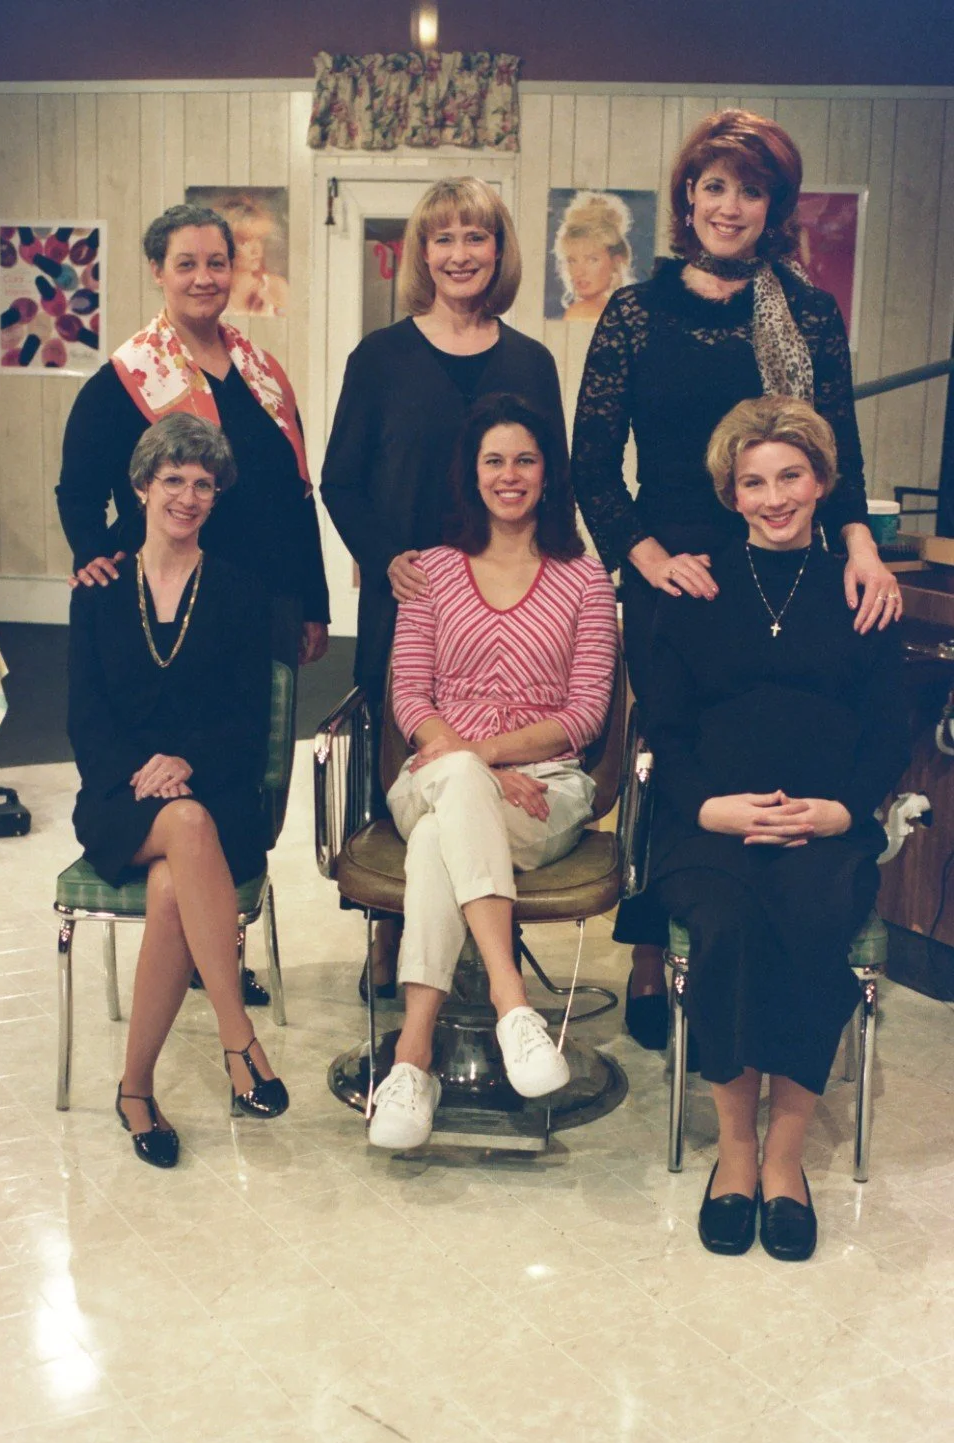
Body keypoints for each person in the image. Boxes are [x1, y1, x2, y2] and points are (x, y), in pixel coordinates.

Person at [571, 108, 901, 1051]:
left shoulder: (806, 312)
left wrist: (863, 549)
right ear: (687, 197)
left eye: (749, 189)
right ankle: (652, 947)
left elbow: (838, 449)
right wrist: (648, 558)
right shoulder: (637, 313)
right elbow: (593, 463)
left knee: (773, 723)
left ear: (773, 206)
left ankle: (777, 911)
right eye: (713, 186)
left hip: (787, 554)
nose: (729, 205)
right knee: (671, 745)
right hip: (671, 569)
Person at [644, 396, 907, 1258]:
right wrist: (707, 807)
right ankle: (737, 1150)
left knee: (816, 914)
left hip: (825, 825)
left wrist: (843, 809)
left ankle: (787, 1157)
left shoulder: (859, 590)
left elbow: (888, 727)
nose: (773, 496)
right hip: (711, 825)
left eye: (790, 475)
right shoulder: (697, 588)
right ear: (730, 494)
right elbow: (666, 728)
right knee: (724, 924)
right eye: (752, 481)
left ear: (824, 481)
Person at [57, 201, 329, 1005]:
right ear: (159, 272)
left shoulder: (260, 370)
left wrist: (311, 601)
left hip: (255, 606)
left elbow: (293, 494)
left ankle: (219, 945)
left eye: (218, 262)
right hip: (167, 603)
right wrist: (99, 562)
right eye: (188, 264)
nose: (206, 277)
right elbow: (80, 490)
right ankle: (216, 961)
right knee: (170, 754)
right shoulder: (126, 376)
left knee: (239, 756)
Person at [321, 176, 568, 999]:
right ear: (421, 254)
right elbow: (340, 480)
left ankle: (484, 940)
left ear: (500, 251)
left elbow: (552, 483)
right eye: (444, 238)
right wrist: (385, 553)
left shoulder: (531, 360)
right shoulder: (380, 358)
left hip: (512, 597)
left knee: (502, 748)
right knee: (403, 756)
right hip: (413, 601)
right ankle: (389, 933)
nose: (460, 254)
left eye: (477, 237)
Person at [366, 394, 617, 1150]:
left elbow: (586, 715)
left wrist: (485, 758)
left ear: (549, 474)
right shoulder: (431, 574)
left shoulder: (586, 582)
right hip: (437, 768)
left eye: (526, 460)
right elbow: (410, 695)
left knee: (439, 833)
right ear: (471, 475)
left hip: (544, 790)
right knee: (454, 795)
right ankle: (516, 1008)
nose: (510, 475)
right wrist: (469, 764)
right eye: (494, 461)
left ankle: (414, 1058)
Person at [68, 414, 289, 1169]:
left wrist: (182, 760)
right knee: (181, 826)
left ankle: (135, 1090)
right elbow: (85, 719)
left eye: (203, 484)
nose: (189, 496)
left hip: (214, 788)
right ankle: (239, 1040)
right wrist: (144, 773)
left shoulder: (238, 592)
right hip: (117, 794)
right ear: (141, 487)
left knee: (177, 869)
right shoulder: (97, 592)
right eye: (174, 480)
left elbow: (247, 721)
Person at [554, 191, 635, 322]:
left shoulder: (580, 312)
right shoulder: (631, 312)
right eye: (572, 260)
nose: (578, 272)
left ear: (616, 261)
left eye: (592, 260)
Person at [222, 195, 290, 318]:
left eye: (259, 240)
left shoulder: (277, 288)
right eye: (245, 242)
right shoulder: (210, 293)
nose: (256, 250)